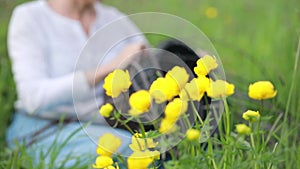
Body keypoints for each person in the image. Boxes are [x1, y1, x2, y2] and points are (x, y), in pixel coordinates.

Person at [6, 0, 146, 167]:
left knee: (159, 148)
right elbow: (33, 98)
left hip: (106, 125)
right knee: (132, 151)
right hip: (45, 128)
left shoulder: (114, 18)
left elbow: (152, 69)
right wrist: (108, 68)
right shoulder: (30, 17)